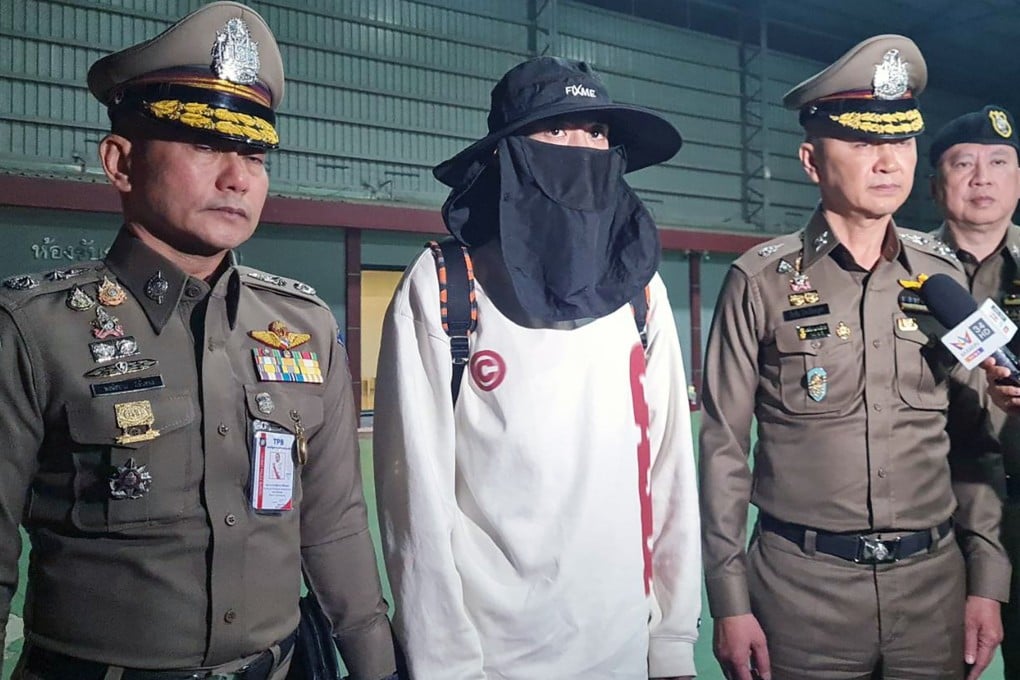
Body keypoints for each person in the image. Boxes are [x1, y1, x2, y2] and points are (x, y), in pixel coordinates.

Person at [0, 3, 398, 678]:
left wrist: (377, 668)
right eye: (205, 145)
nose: (238, 177)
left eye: (253, 153)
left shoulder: (304, 328)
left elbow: (332, 528)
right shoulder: (36, 328)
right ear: (121, 162)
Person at [373, 56, 700, 679]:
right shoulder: (446, 284)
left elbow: (669, 469)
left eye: (596, 133)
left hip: (623, 649)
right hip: (494, 660)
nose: (581, 149)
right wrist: (444, 664)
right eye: (556, 132)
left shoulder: (639, 290)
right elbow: (414, 500)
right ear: (506, 153)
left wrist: (674, 644)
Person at [699, 34, 1010, 680]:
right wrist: (729, 602)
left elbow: (974, 443)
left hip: (934, 593)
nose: (887, 160)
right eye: (864, 142)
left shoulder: (943, 281)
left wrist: (987, 579)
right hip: (800, 599)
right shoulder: (760, 281)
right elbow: (724, 450)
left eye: (898, 141)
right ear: (812, 161)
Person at [930, 106, 1020, 680]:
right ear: (936, 183)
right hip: (934, 516)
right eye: (963, 163)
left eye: (998, 163)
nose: (981, 177)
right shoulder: (895, 274)